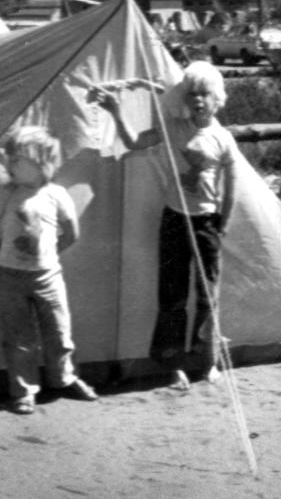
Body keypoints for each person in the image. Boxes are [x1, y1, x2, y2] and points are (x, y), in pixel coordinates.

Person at [91, 61, 239, 390]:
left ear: (218, 99)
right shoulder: (173, 127)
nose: (199, 100)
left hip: (207, 223)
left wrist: (222, 224)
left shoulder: (223, 138)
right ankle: (173, 365)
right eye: (193, 94)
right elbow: (133, 143)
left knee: (207, 297)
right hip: (174, 218)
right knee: (171, 295)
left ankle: (208, 362)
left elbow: (232, 187)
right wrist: (116, 111)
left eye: (206, 94)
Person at [0, 126, 99, 414]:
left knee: (59, 333)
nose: (9, 166)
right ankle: (23, 391)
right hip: (10, 277)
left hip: (48, 277)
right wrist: (1, 255)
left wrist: (50, 255)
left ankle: (65, 379)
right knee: (19, 338)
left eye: (16, 161)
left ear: (39, 163)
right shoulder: (6, 194)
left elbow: (71, 232)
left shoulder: (56, 194)